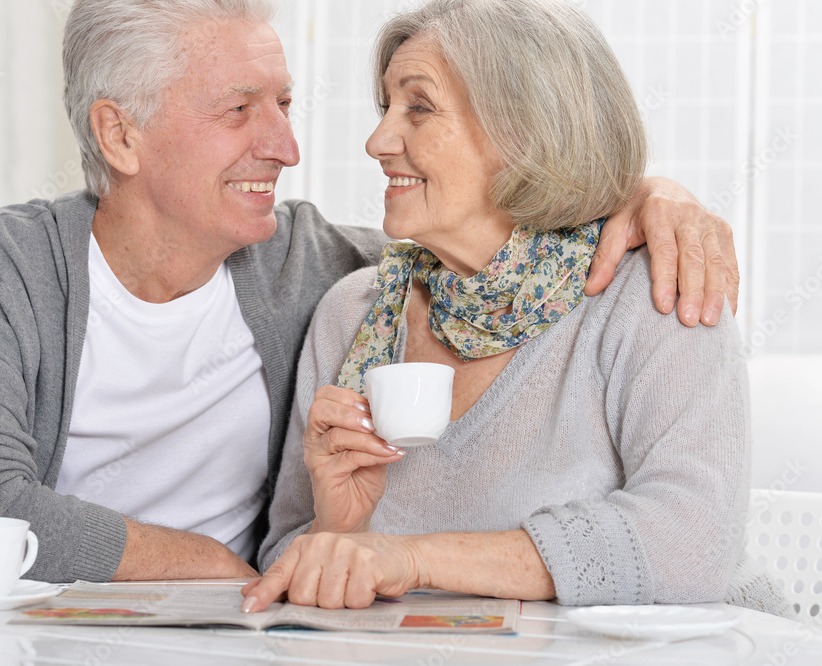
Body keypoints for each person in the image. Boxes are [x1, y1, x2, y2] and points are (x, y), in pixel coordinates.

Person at [0, 0, 741, 585]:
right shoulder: (3, 271)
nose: (291, 145)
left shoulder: (329, 273)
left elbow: (500, 243)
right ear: (120, 133)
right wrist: (229, 566)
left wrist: (645, 194)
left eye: (287, 103)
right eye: (239, 109)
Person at [242, 0, 789, 616]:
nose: (378, 141)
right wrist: (341, 529)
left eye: (418, 108)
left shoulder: (655, 292)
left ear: (525, 132)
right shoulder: (354, 313)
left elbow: (692, 544)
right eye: (386, 108)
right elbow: (287, 557)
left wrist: (411, 558)